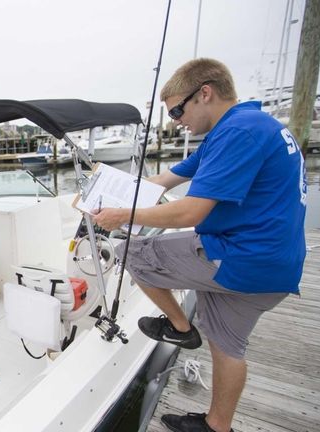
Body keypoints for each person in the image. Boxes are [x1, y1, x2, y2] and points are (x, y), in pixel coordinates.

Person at [93, 58, 306, 432]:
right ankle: (216, 426)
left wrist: (122, 216)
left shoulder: (238, 132)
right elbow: (163, 181)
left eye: (177, 109)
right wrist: (107, 192)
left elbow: (190, 212)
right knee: (227, 345)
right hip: (276, 269)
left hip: (240, 257)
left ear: (204, 93)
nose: (176, 120)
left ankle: (178, 327)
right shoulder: (249, 126)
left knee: (133, 253)